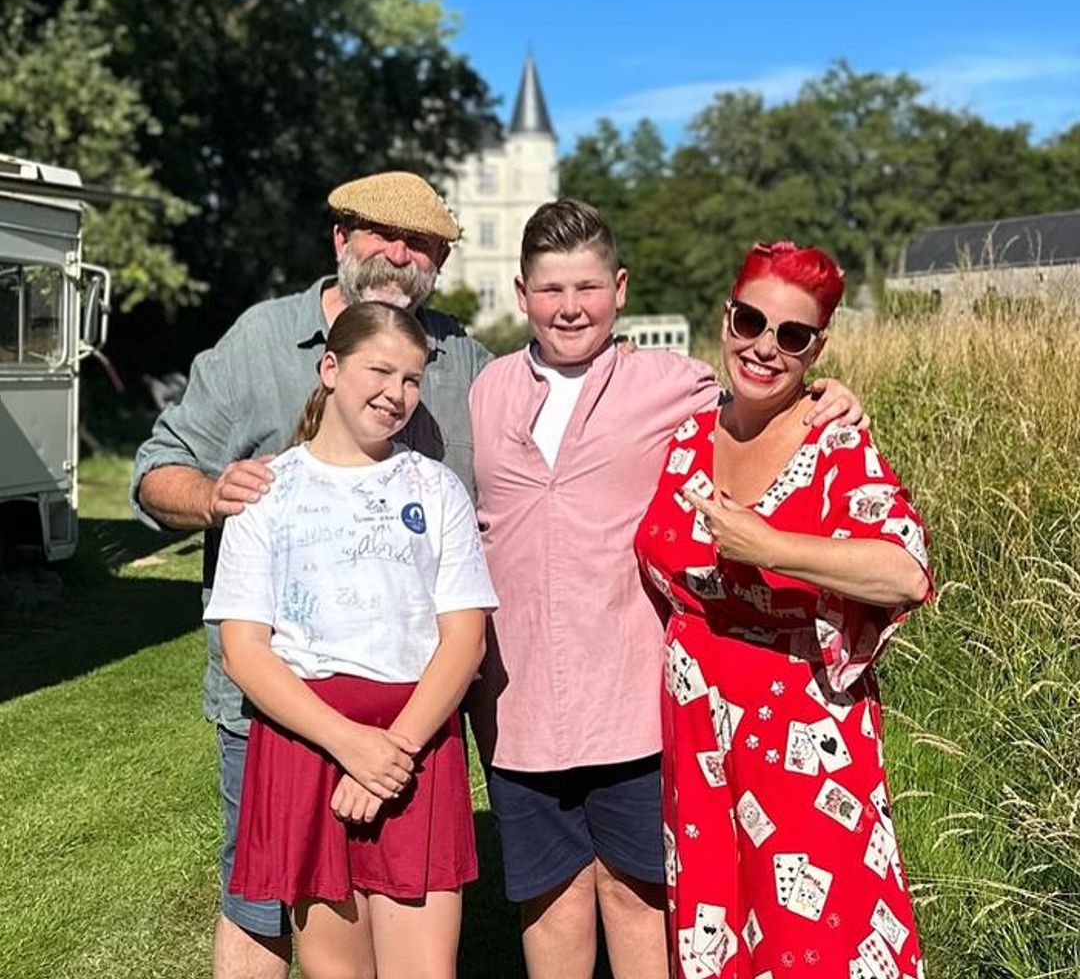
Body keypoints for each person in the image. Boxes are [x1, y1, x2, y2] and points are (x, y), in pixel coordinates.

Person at [467, 203, 867, 979]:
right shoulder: (486, 394)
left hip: (632, 705)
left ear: (619, 288)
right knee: (547, 905)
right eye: (551, 290)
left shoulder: (674, 385)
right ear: (522, 294)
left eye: (587, 286)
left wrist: (832, 392)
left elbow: (763, 399)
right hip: (517, 708)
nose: (570, 307)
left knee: (639, 895)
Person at [132, 172, 490, 979]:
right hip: (280, 712)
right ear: (340, 239)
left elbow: (558, 412)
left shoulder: (464, 358)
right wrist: (214, 496)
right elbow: (156, 471)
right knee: (259, 909)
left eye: (421, 244)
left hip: (416, 707)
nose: (399, 254)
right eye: (381, 235)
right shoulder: (259, 341)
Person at [634, 241, 932, 979]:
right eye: (750, 321)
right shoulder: (685, 437)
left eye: (792, 335)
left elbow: (904, 572)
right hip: (701, 728)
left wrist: (771, 544)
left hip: (801, 730)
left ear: (817, 347)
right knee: (721, 926)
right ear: (726, 317)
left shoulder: (834, 439)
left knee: (820, 937)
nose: (764, 347)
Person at [203, 300, 498, 979]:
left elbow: (464, 639)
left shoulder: (436, 487)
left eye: (412, 380)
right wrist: (348, 743)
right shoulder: (267, 494)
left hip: (415, 746)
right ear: (330, 368)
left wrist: (392, 749)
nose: (396, 394)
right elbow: (245, 649)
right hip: (308, 743)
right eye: (380, 371)